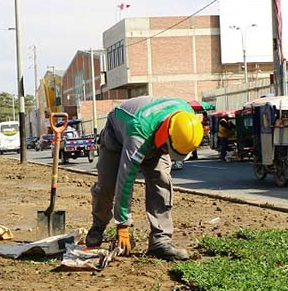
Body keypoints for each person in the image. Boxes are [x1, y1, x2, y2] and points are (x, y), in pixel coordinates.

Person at [86, 96, 204, 261]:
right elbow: (126, 179)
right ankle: (98, 225)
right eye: (167, 149)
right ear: (165, 136)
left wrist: (164, 149)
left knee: (161, 181)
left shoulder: (186, 117)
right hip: (117, 136)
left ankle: (160, 241)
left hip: (155, 131)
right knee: (107, 185)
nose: (167, 153)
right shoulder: (138, 134)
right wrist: (122, 226)